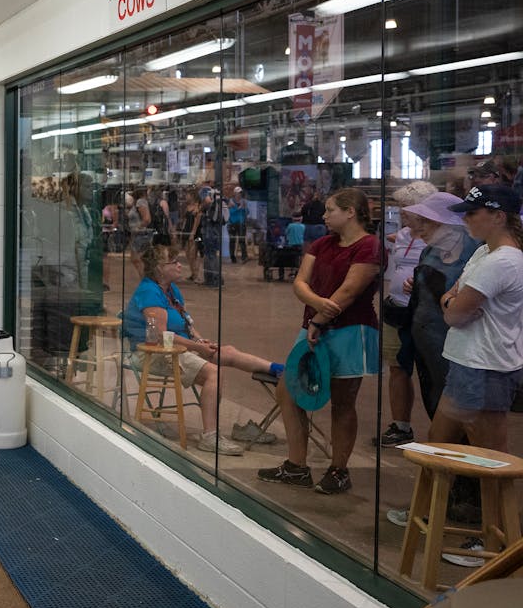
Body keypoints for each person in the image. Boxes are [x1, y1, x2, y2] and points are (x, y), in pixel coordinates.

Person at [258, 188, 382, 496]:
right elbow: (300, 281)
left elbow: (350, 290)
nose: (324, 216)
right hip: (313, 327)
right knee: (288, 390)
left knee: (343, 401)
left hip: (350, 330)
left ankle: (339, 469)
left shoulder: (370, 247)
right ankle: (296, 465)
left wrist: (320, 316)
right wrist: (316, 305)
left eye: (330, 210)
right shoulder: (322, 243)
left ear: (351, 211)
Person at [124, 243, 283, 455]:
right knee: (213, 373)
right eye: (174, 262)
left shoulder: (171, 290)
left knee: (228, 352)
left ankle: (279, 370)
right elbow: (160, 338)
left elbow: (185, 324)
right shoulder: (149, 292)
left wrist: (201, 341)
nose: (180, 265)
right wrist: (197, 346)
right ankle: (210, 436)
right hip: (152, 353)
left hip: (177, 347)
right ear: (160, 268)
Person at [434, 184, 523, 453]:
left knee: (490, 457)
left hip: (485, 367)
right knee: (438, 445)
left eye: (473, 212)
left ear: (499, 217)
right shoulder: (484, 252)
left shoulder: (502, 262)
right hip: (469, 362)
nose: (466, 218)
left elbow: (454, 315)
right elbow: (452, 297)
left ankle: (494, 498)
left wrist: (451, 304)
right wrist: (450, 301)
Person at [403, 192, 480, 420]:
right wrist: (416, 285)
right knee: (435, 398)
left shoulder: (475, 251)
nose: (420, 228)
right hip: (426, 342)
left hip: (459, 344)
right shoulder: (429, 252)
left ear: (446, 224)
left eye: (427, 221)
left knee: (461, 409)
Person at [375, 181, 436, 446]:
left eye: (406, 207)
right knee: (397, 367)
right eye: (400, 207)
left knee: (431, 371)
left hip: (425, 314)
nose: (401, 212)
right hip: (397, 309)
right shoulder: (401, 236)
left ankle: (443, 430)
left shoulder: (440, 237)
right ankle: (401, 426)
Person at [228, 187, 248, 264]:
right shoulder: (231, 201)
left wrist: (243, 208)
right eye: (237, 193)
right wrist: (238, 208)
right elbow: (230, 212)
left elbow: (247, 212)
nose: (239, 194)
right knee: (232, 241)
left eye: (240, 193)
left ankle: (244, 257)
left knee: (242, 240)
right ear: (235, 193)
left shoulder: (244, 201)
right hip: (232, 223)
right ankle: (232, 257)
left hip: (241, 224)